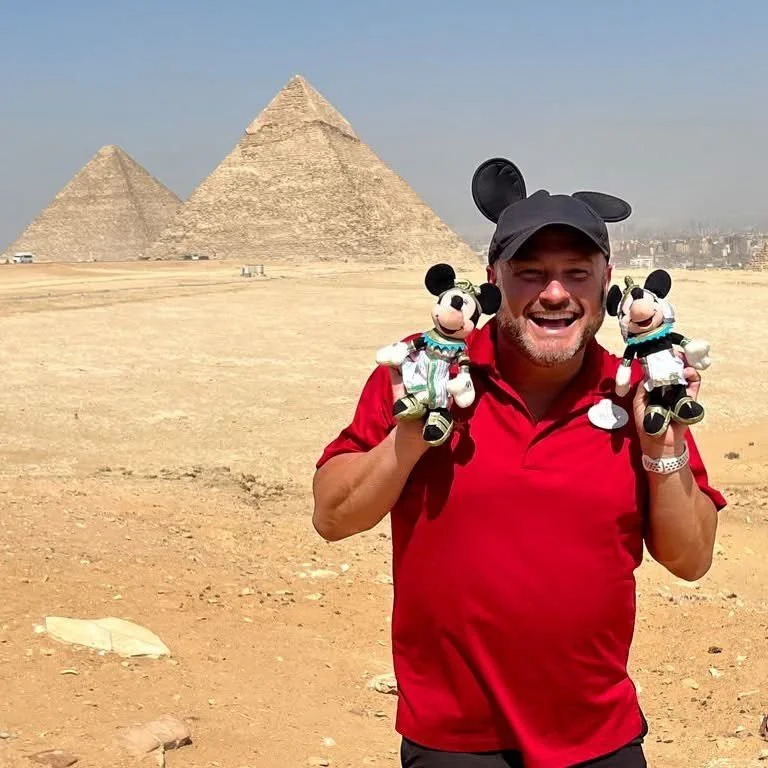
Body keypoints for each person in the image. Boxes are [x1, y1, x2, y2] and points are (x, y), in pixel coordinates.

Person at [311, 189, 726, 768]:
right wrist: (412, 436)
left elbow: (692, 559)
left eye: (575, 273)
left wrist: (662, 444)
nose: (554, 294)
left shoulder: (635, 390)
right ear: (493, 279)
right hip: (453, 737)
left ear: (606, 283)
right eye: (530, 273)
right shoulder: (421, 372)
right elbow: (332, 516)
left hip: (596, 734)